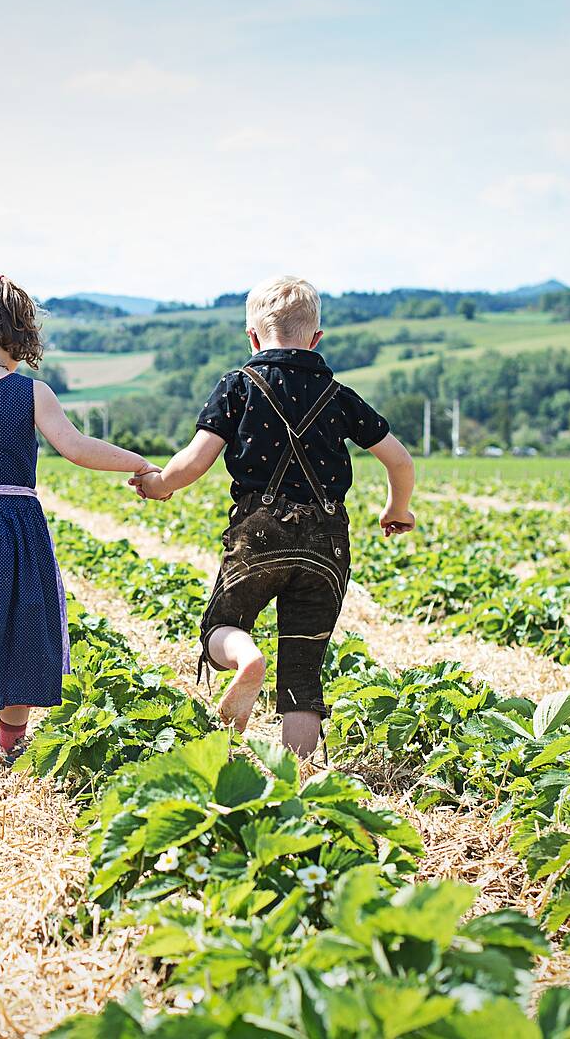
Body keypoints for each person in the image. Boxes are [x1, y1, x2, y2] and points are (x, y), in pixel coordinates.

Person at [130, 275, 415, 757]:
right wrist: (397, 508)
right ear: (316, 339)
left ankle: (247, 657)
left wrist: (158, 485)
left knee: (221, 626)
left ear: (253, 337)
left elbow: (195, 461)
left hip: (259, 532)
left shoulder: (239, 386)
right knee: (303, 668)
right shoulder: (339, 396)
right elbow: (400, 460)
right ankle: (297, 776)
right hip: (327, 542)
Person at [0, 275, 158, 781]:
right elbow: (76, 447)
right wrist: (138, 462)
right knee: (24, 623)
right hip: (17, 523)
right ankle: (14, 740)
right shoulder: (31, 393)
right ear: (20, 332)